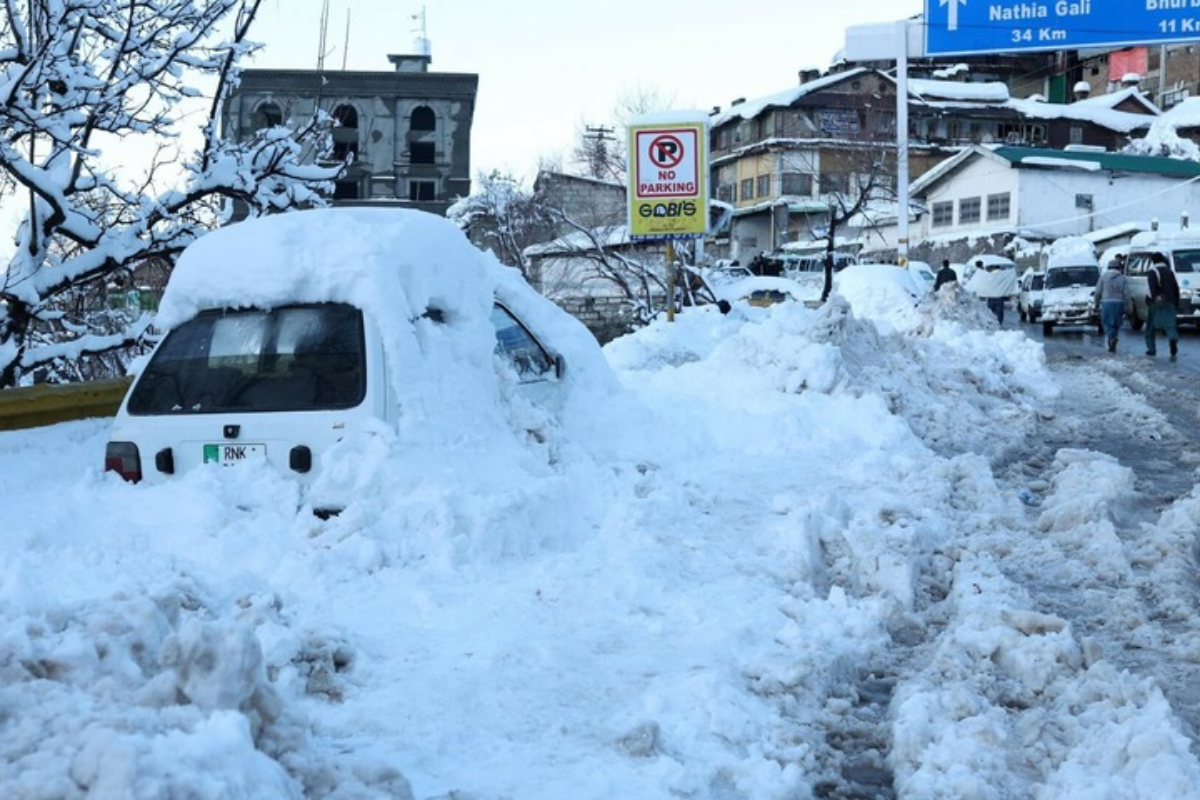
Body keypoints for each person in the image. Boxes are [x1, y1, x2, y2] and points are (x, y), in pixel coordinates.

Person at [1145, 252, 1180, 359]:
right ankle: (1173, 338)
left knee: (1150, 327)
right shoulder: (1169, 272)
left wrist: (1153, 299)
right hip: (1171, 301)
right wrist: (1176, 302)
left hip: (1156, 303)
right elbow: (1176, 288)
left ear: (1153, 261)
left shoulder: (1152, 271)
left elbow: (1152, 288)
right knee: (1170, 325)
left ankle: (1151, 349)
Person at [1093, 258, 1128, 353]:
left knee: (1106, 323)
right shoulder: (1123, 278)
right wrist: (1128, 306)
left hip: (1107, 302)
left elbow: (1098, 292)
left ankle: (1111, 338)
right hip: (1119, 303)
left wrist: (1096, 303)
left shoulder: (1103, 277)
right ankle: (1113, 340)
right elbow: (1127, 294)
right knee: (1116, 323)